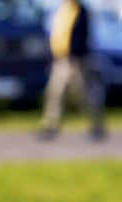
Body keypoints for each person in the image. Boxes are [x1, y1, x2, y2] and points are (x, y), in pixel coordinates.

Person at [39, 0, 105, 141]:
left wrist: (78, 56)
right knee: (55, 93)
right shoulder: (61, 10)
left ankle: (96, 126)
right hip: (60, 59)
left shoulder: (81, 11)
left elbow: (83, 36)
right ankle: (51, 125)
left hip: (77, 60)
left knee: (85, 94)